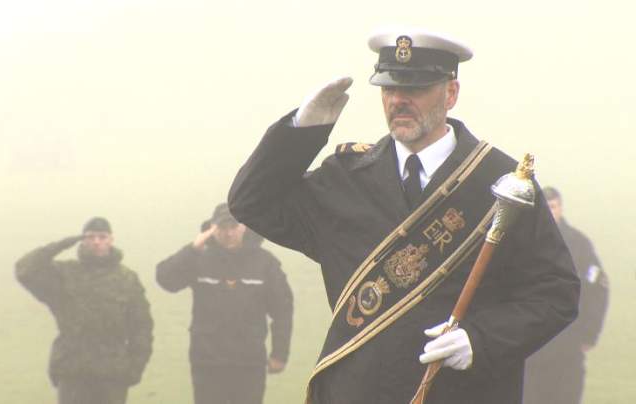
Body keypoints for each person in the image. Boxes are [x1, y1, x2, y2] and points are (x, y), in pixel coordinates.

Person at [228, 27, 580, 404]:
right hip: (357, 392)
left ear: (451, 93)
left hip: (460, 392)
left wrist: (480, 339)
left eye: (416, 88)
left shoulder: (501, 183)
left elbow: (556, 292)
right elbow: (251, 202)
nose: (398, 100)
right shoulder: (346, 177)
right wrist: (301, 131)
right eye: (389, 88)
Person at [156, 203, 293, 404]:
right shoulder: (198, 258)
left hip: (250, 363)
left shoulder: (266, 263)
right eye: (222, 228)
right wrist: (192, 249)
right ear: (212, 228)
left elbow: (283, 310)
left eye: (233, 227)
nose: (229, 233)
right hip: (207, 364)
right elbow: (165, 280)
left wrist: (279, 354)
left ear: (244, 227)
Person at [15, 217, 153, 404]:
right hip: (73, 371)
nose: (96, 242)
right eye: (90, 237)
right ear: (82, 240)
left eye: (102, 237)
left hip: (113, 374)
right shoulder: (64, 274)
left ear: (111, 240)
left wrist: (135, 367)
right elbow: (24, 269)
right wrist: (61, 245)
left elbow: (142, 327)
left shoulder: (127, 279)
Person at [523, 187, 609, 404]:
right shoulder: (523, 243)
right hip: (531, 344)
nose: (549, 212)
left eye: (553, 206)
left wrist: (590, 333)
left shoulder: (579, 244)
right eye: (545, 207)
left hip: (568, 342)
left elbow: (598, 289)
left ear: (560, 208)